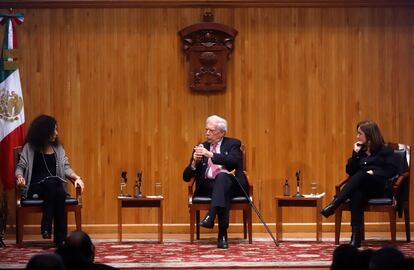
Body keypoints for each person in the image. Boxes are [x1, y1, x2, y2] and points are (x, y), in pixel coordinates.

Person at [320, 120, 400, 247]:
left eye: (359, 133)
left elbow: (392, 171)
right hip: (362, 187)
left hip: (379, 187)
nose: (357, 137)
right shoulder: (360, 151)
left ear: (369, 135)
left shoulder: (385, 150)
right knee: (357, 193)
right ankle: (356, 236)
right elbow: (350, 171)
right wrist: (355, 154)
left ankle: (335, 203)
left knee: (362, 175)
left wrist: (373, 173)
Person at [15, 114, 85, 246]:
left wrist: (77, 178)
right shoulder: (29, 148)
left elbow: (66, 167)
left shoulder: (58, 148)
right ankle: (58, 235)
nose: (56, 133)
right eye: (54, 130)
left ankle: (54, 234)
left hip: (54, 189)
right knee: (55, 185)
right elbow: (20, 167)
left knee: (58, 190)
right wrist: (20, 177)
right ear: (44, 132)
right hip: (35, 189)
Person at [183, 115, 248, 249]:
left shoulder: (233, 143)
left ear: (222, 132)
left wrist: (211, 155)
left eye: (211, 130)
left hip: (231, 183)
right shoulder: (200, 147)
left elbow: (234, 161)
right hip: (207, 186)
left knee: (222, 178)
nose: (207, 133)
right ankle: (222, 235)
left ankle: (211, 217)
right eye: (206, 130)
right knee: (221, 190)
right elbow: (186, 177)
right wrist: (194, 162)